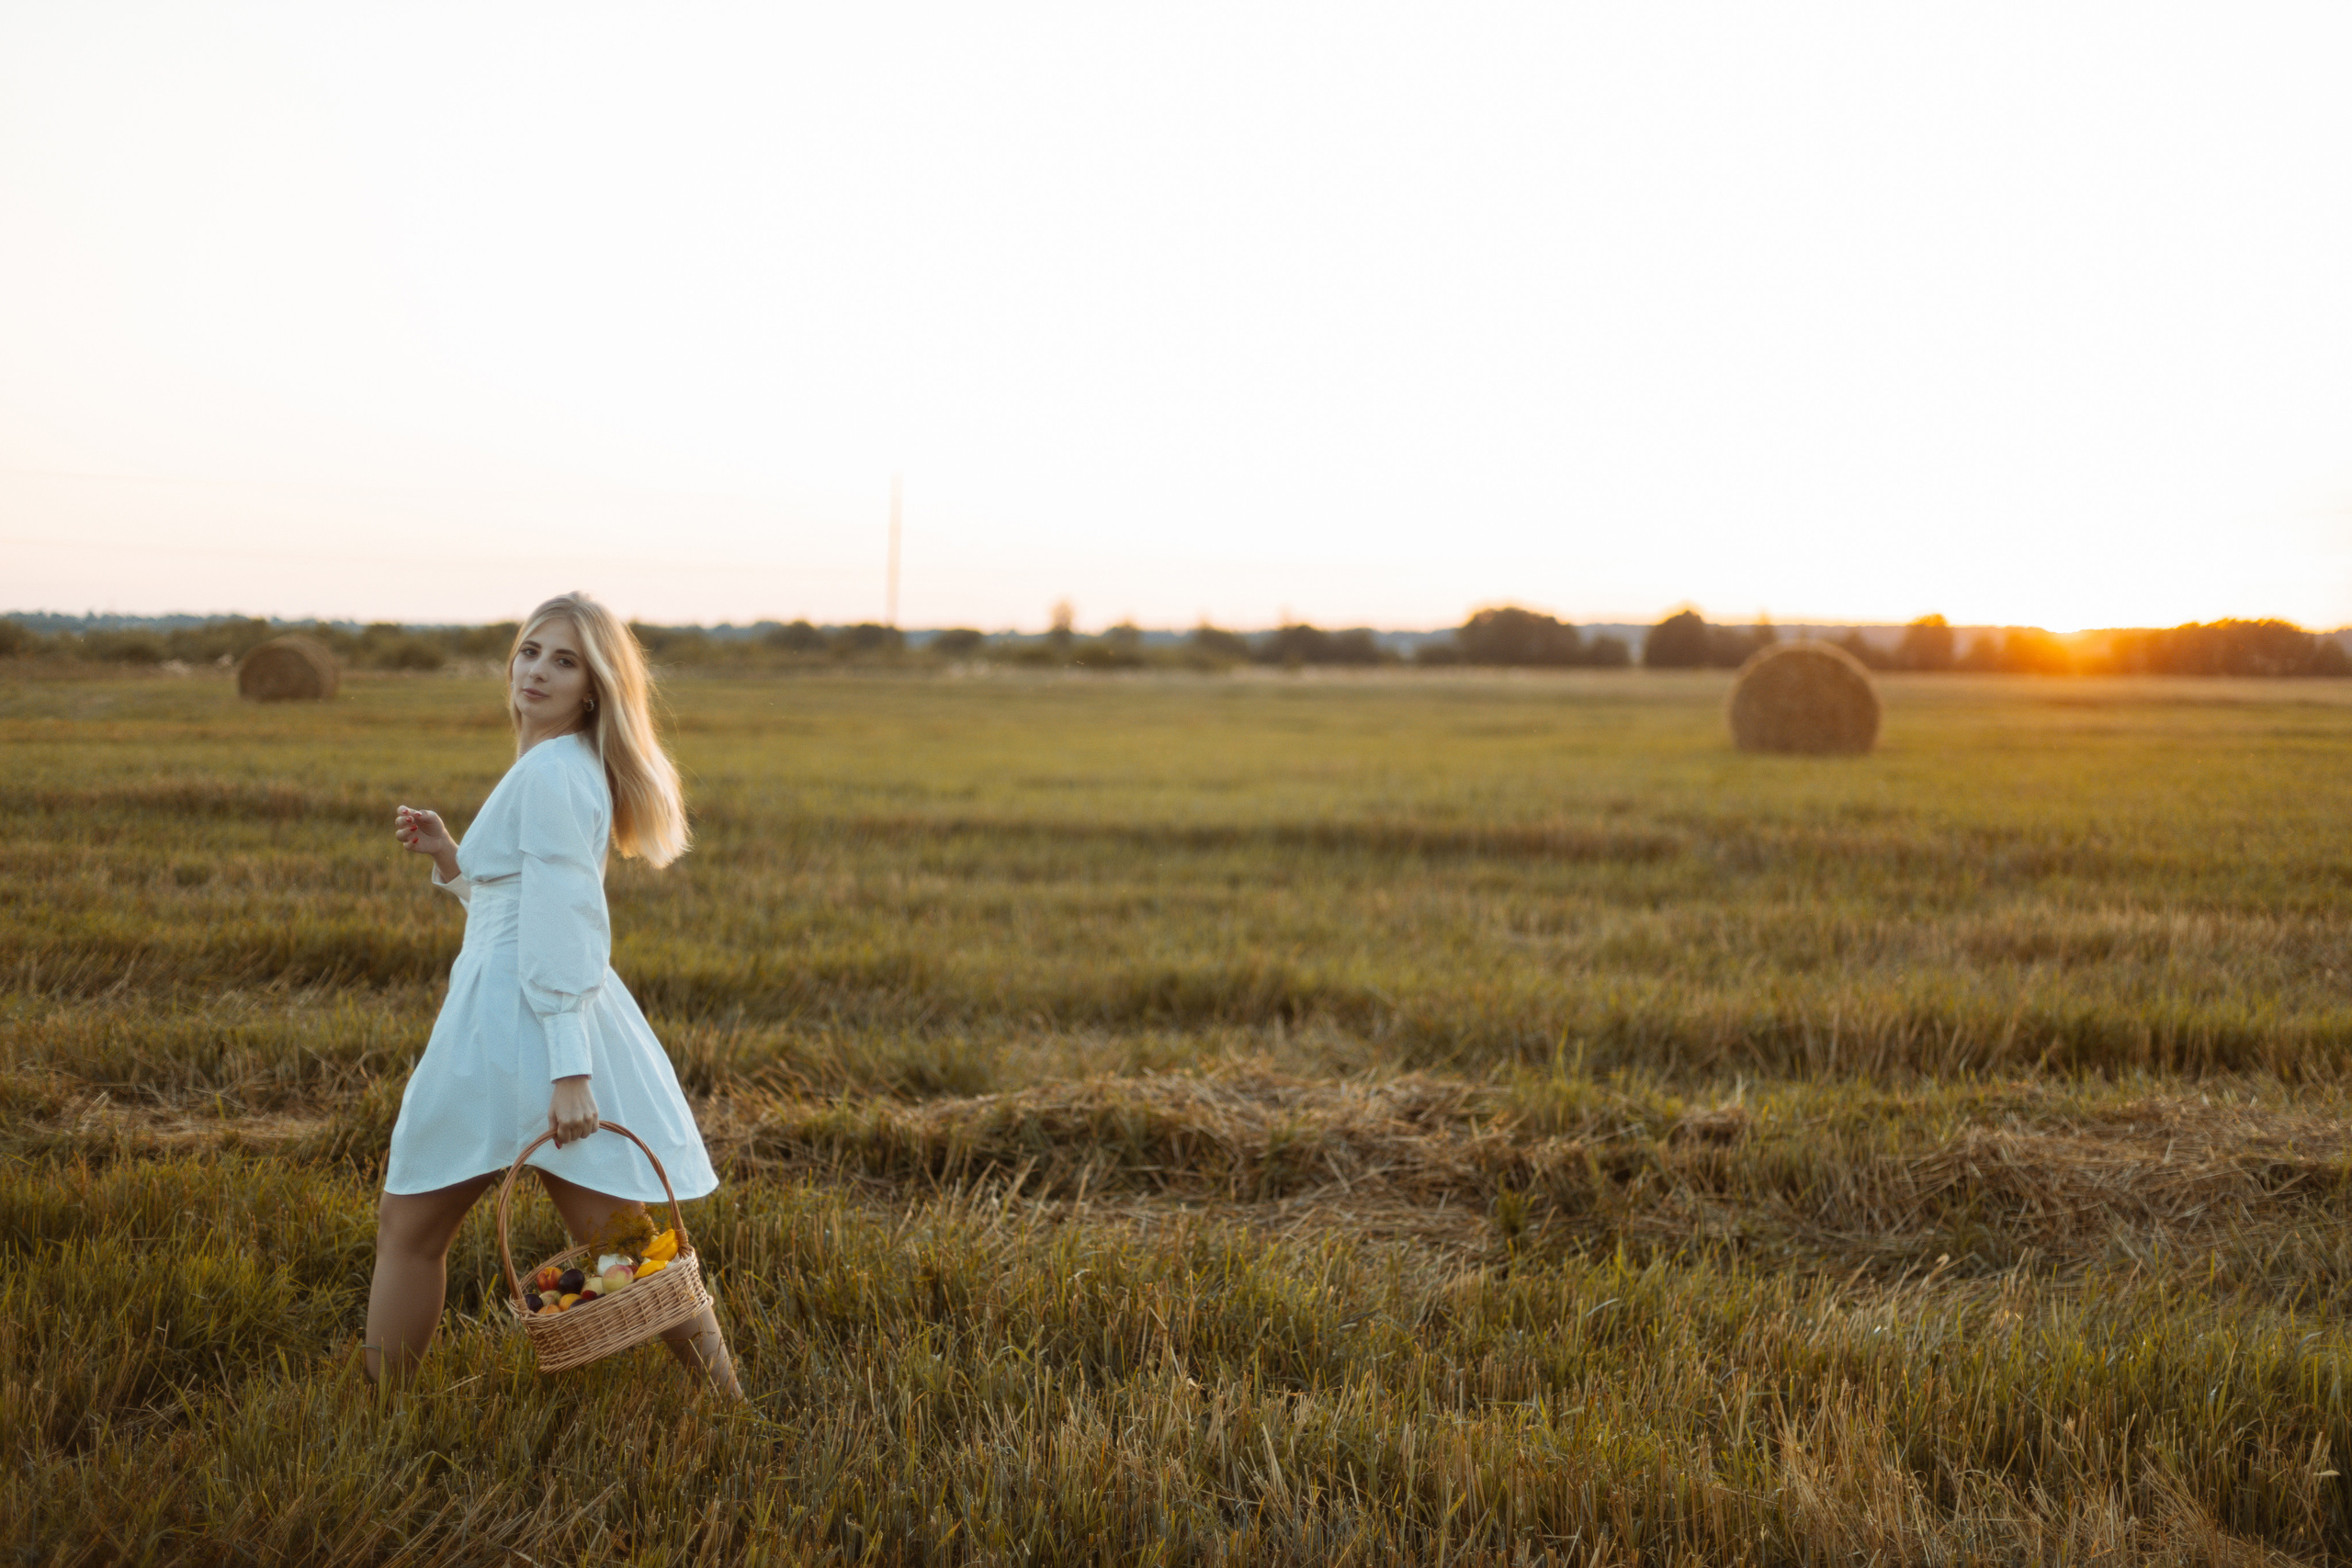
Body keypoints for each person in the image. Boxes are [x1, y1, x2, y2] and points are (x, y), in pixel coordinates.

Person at [366, 591, 740, 1397]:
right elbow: (515, 907)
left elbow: (565, 924)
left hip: (518, 1027)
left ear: (593, 687)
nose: (536, 670)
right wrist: (451, 857)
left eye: (563, 660)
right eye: (531, 650)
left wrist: (571, 1073)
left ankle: (381, 1410)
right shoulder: (553, 766)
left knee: (415, 1230)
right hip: (518, 1014)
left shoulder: (556, 774)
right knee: (626, 1244)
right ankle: (731, 1408)